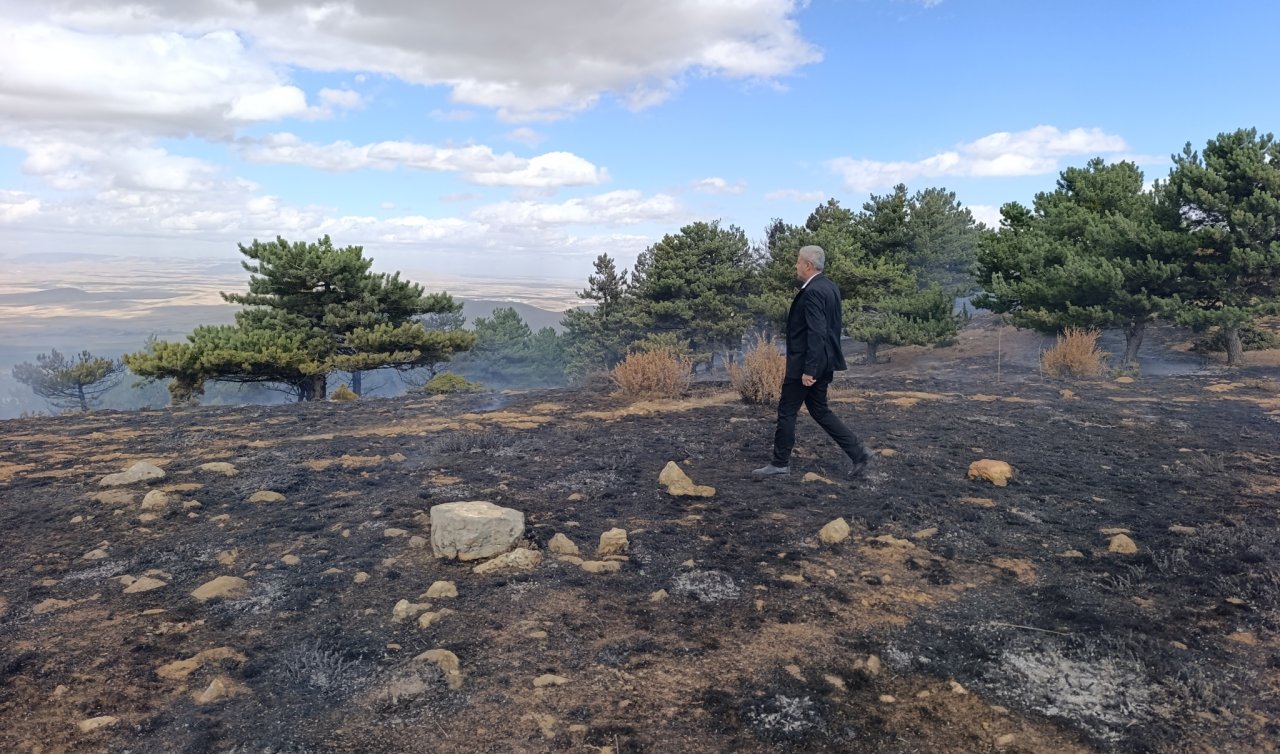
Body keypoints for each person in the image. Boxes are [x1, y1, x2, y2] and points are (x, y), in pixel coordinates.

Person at [753, 245, 872, 478]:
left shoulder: (813, 291)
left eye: (798, 262)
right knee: (819, 409)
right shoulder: (829, 287)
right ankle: (859, 453)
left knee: (787, 410)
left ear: (808, 265)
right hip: (824, 361)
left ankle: (779, 464)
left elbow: (817, 332)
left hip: (807, 365)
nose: (796, 266)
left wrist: (809, 369)